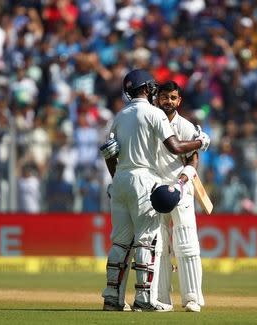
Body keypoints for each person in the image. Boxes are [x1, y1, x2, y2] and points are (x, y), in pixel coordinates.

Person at [100, 69, 210, 312]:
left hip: (120, 180)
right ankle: (145, 299)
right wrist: (201, 142)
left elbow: (108, 153)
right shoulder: (154, 114)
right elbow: (175, 147)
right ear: (149, 89)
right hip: (144, 181)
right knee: (147, 242)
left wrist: (117, 179)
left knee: (120, 242)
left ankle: (112, 298)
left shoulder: (119, 116)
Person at [153, 81, 205, 312]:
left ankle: (192, 298)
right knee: (159, 244)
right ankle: (162, 298)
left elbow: (193, 157)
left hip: (181, 188)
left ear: (179, 101)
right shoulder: (151, 123)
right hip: (154, 189)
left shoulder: (185, 126)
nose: (169, 102)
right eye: (165, 97)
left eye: (173, 98)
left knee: (186, 243)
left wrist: (186, 176)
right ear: (157, 99)